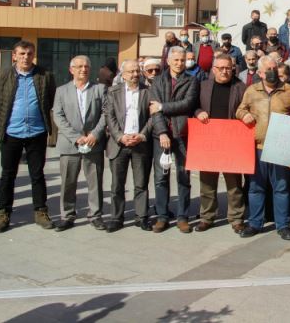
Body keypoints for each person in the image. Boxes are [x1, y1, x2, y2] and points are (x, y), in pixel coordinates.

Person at [0, 40, 56, 233]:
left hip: (37, 132)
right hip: (12, 132)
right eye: (22, 54)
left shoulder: (45, 76)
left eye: (29, 54)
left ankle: (41, 211)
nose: (25, 57)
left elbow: (49, 99)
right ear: (15, 56)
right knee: (8, 174)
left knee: (37, 174)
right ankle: (3, 213)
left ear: (33, 55)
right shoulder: (3, 76)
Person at [236, 56, 290, 239]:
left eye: (275, 68)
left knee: (281, 187)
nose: (273, 71)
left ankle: (283, 225)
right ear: (261, 73)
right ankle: (255, 223)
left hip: (281, 147)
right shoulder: (251, 90)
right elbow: (240, 109)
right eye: (269, 69)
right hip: (258, 147)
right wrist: (244, 115)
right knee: (256, 187)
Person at [52, 56, 108, 231]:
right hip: (70, 144)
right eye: (79, 67)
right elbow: (58, 116)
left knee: (95, 181)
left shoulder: (100, 89)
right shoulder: (61, 91)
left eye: (86, 66)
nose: (83, 69)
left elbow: (106, 113)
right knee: (68, 182)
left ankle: (95, 215)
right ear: (71, 70)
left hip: (93, 143)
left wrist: (95, 134)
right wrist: (75, 136)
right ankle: (67, 215)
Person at [149, 46, 200, 234]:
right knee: (161, 177)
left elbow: (187, 104)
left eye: (182, 60)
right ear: (168, 61)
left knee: (183, 176)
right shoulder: (157, 81)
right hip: (161, 136)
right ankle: (162, 215)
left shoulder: (191, 80)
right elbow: (153, 110)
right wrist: (162, 131)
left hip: (182, 135)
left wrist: (163, 106)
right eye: (176, 60)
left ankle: (183, 216)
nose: (179, 63)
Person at [194, 54, 248, 234]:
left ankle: (236, 218)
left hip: (232, 142)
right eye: (221, 68)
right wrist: (199, 112)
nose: (225, 71)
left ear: (233, 69)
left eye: (228, 68)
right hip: (208, 141)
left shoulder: (240, 87)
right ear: (213, 69)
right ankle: (207, 217)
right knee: (207, 183)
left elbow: (247, 108)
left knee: (234, 184)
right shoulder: (203, 86)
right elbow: (193, 106)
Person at [104, 59, 153, 232]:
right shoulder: (112, 92)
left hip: (140, 143)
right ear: (122, 74)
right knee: (117, 185)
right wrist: (120, 136)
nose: (134, 75)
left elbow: (152, 117)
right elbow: (109, 116)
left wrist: (142, 135)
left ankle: (141, 217)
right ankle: (116, 218)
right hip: (119, 144)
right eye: (130, 72)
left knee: (141, 183)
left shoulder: (148, 91)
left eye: (137, 71)